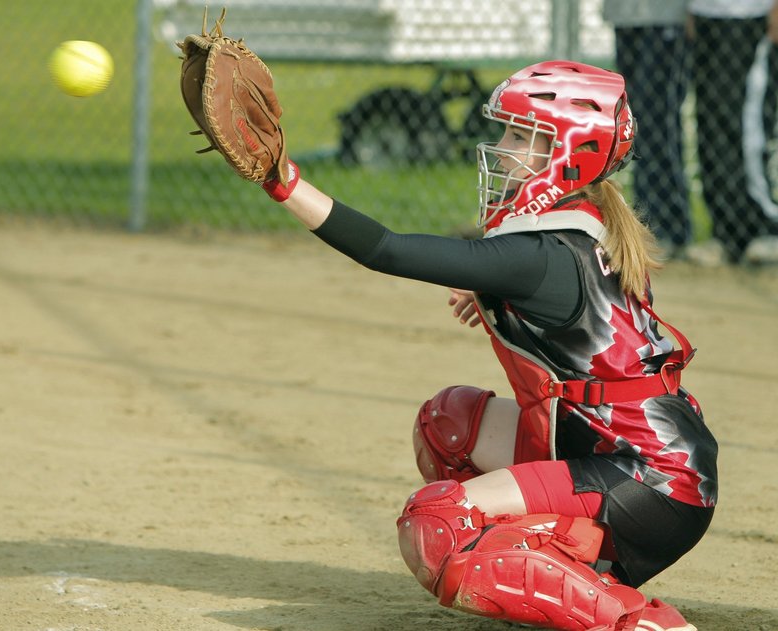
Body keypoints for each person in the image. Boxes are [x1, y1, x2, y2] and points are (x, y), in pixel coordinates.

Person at [256, 62, 720, 630]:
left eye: (521, 136)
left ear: (572, 151)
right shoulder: (587, 217)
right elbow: (581, 319)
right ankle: (561, 569)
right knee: (446, 423)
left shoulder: (544, 251)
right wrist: (508, 304)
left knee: (438, 523)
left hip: (647, 479)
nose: (501, 150)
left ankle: (640, 623)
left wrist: (285, 184)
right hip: (622, 452)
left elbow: (388, 251)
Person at [688, 0, 778, 265]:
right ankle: (726, 233)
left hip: (752, 14)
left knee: (749, 123)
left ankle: (766, 226)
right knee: (710, 121)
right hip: (707, 13)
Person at [602, 0, 694, 259]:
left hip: (667, 15)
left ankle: (671, 227)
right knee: (632, 120)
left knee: (657, 121)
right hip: (625, 15)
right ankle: (646, 223)